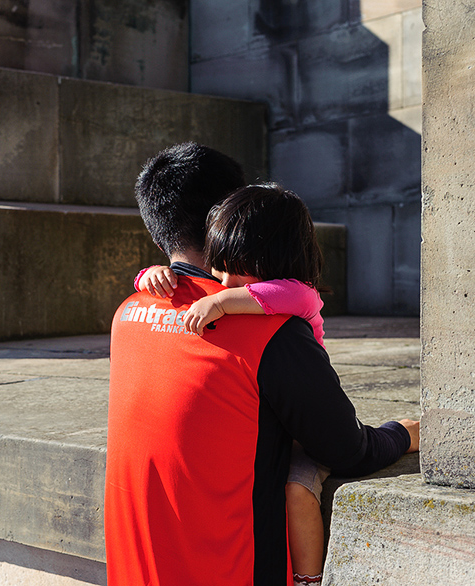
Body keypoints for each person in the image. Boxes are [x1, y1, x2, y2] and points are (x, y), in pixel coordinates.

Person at [105, 148, 419, 586]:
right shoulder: (268, 330)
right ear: (237, 215)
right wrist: (403, 432)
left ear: (158, 236)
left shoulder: (127, 315)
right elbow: (346, 450)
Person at [134, 189, 329, 583]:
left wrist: (221, 304)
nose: (222, 284)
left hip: (305, 420)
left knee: (298, 488)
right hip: (276, 418)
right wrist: (147, 275)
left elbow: (288, 292)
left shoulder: (300, 296)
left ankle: (309, 580)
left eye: (235, 271)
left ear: (273, 261)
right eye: (218, 270)